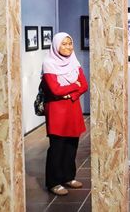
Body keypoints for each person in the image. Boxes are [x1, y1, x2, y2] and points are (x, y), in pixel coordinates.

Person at [42, 32, 88, 195]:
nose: (68, 47)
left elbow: (84, 85)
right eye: (64, 44)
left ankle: (68, 177)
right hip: (57, 110)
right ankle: (53, 182)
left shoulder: (74, 62)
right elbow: (55, 90)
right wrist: (73, 87)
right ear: (56, 45)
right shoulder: (49, 63)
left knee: (71, 145)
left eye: (70, 43)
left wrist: (71, 94)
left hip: (72, 107)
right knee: (57, 146)